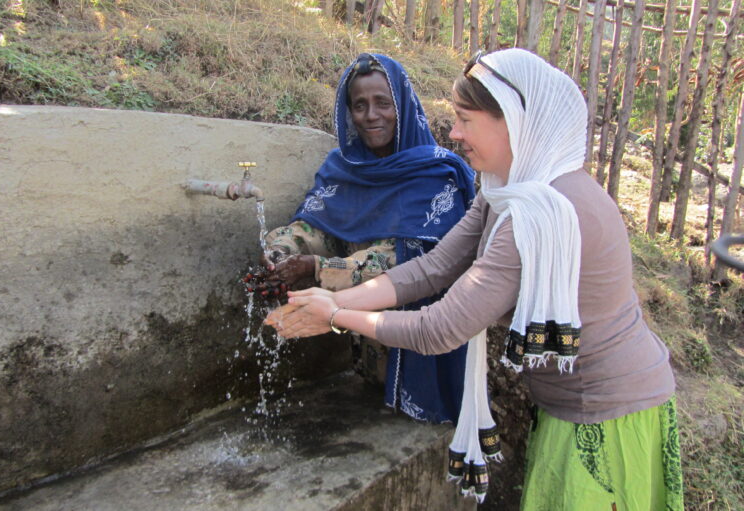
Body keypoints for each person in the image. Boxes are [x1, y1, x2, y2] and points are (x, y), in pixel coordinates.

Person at [265, 48, 683, 510]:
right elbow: (435, 267)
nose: (454, 132)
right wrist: (334, 298)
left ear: (513, 121)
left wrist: (338, 314)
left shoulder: (535, 215)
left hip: (606, 417)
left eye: (466, 119)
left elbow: (440, 327)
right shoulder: (505, 189)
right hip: (575, 405)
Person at [256, 53, 476, 424]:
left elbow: (408, 260)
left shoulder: (437, 175)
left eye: (382, 103)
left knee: (412, 425)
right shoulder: (344, 168)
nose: (371, 115)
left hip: (418, 332)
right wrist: (283, 251)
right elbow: (318, 230)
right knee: (372, 402)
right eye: (359, 105)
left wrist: (318, 268)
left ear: (402, 106)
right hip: (362, 339)